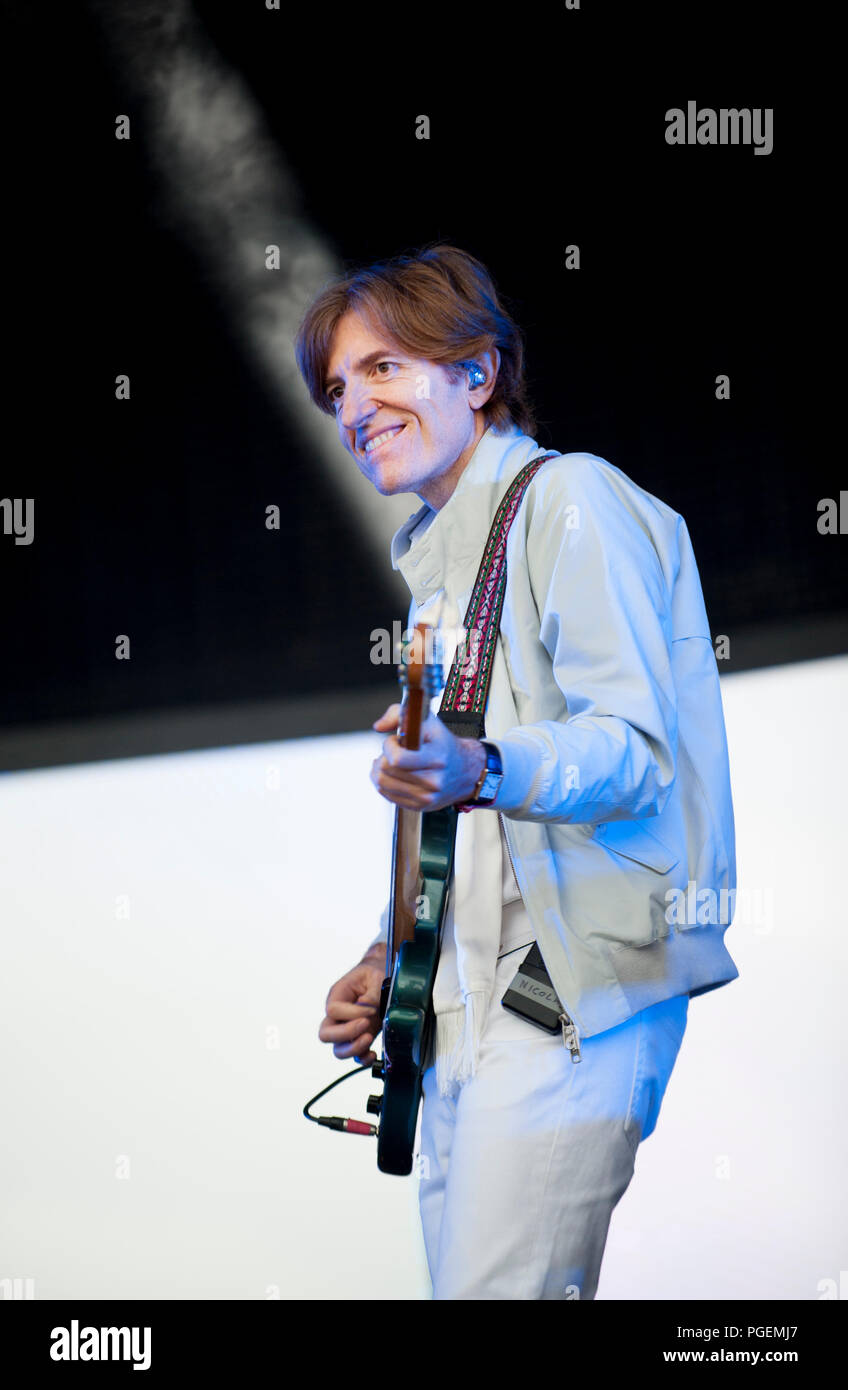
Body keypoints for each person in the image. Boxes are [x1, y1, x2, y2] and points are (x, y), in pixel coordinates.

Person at [295, 243, 739, 1300]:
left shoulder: (569, 498)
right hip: (462, 1026)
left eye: (384, 368)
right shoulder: (440, 572)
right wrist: (391, 950)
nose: (352, 406)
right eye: (336, 388)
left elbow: (631, 751)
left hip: (560, 1011)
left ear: (478, 374)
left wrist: (480, 761)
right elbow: (469, 821)